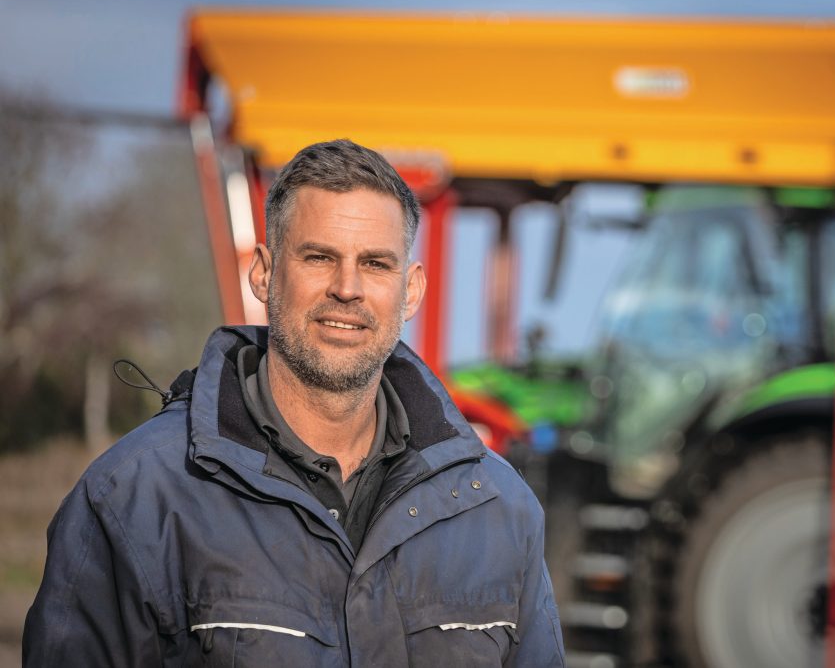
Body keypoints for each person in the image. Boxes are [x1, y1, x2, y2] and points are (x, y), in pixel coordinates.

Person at [24, 139, 565, 667]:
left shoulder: (497, 510)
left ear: (411, 290)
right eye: (319, 257)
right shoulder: (136, 499)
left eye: (376, 264)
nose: (347, 288)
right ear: (263, 273)